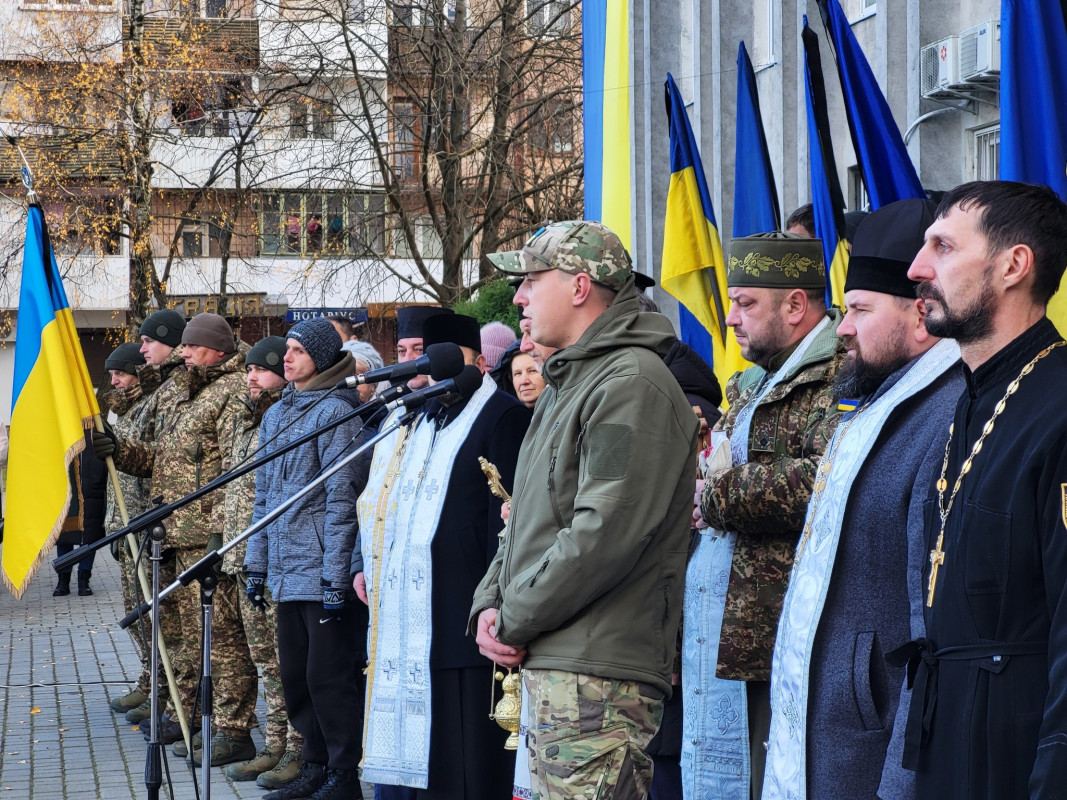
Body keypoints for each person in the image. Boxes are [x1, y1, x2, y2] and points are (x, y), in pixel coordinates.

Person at [471, 220, 699, 800]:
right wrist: (490, 602)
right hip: (563, 657)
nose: (519, 295)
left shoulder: (632, 383)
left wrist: (515, 613)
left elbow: (605, 531)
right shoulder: (572, 381)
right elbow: (525, 518)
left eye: (531, 280)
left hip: (598, 673)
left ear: (579, 286)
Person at [761, 199, 964, 800]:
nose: (841, 327)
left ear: (921, 317)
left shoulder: (949, 414)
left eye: (858, 310)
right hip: (834, 725)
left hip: (871, 739)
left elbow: (930, 620)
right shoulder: (881, 400)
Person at [891, 181, 1067, 800]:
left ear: (1014, 265)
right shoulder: (968, 401)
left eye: (942, 247)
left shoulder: (1059, 406)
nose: (917, 268)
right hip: (952, 749)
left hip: (1020, 765)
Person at [690, 232, 844, 800]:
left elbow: (823, 478)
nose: (730, 319)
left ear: (796, 306)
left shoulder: (839, 375)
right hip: (734, 630)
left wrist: (713, 496)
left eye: (745, 303)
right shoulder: (754, 381)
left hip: (785, 632)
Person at [359, 313, 531, 800]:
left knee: (466, 771)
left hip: (466, 626)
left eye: (436, 360)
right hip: (410, 629)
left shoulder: (503, 416)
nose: (428, 372)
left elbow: (516, 518)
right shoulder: (421, 417)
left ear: (471, 360)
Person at [94, 312, 247, 749]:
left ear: (216, 350)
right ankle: (190, 715)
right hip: (172, 531)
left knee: (219, 643)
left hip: (205, 536)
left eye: (192, 348)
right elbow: (160, 458)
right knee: (180, 637)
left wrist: (221, 530)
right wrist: (118, 448)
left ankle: (228, 728)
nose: (185, 355)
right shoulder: (179, 390)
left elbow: (234, 468)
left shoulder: (231, 392)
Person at [244, 318, 372, 800]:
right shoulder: (279, 414)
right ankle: (314, 764)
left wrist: (337, 578)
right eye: (288, 350)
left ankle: (344, 772)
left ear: (321, 356)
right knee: (295, 675)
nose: (287, 358)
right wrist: (257, 565)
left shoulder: (338, 413)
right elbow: (264, 496)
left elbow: (344, 500)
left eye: (297, 350)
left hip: (321, 573)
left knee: (329, 678)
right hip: (282, 567)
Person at [210, 336, 305, 786]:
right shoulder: (249, 421)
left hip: (272, 561)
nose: (251, 377)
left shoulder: (288, 418)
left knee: (285, 662)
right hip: (240, 557)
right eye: (248, 369)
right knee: (263, 659)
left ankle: (297, 749)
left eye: (261, 370)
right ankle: (273, 744)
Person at [54, 441, 108, 597]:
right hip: (67, 490)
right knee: (65, 536)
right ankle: (63, 580)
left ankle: (84, 580)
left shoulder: (97, 427)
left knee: (89, 538)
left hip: (92, 490)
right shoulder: (64, 426)